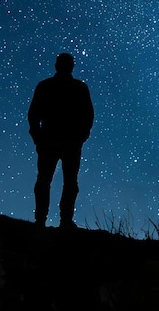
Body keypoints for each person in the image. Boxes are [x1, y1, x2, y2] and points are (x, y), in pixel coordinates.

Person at [27, 53, 94, 229]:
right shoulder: (74, 87)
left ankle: (52, 220)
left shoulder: (53, 86)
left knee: (59, 181)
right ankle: (52, 220)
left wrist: (81, 136)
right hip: (57, 141)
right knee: (55, 181)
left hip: (63, 141)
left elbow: (88, 116)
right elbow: (33, 115)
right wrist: (38, 137)